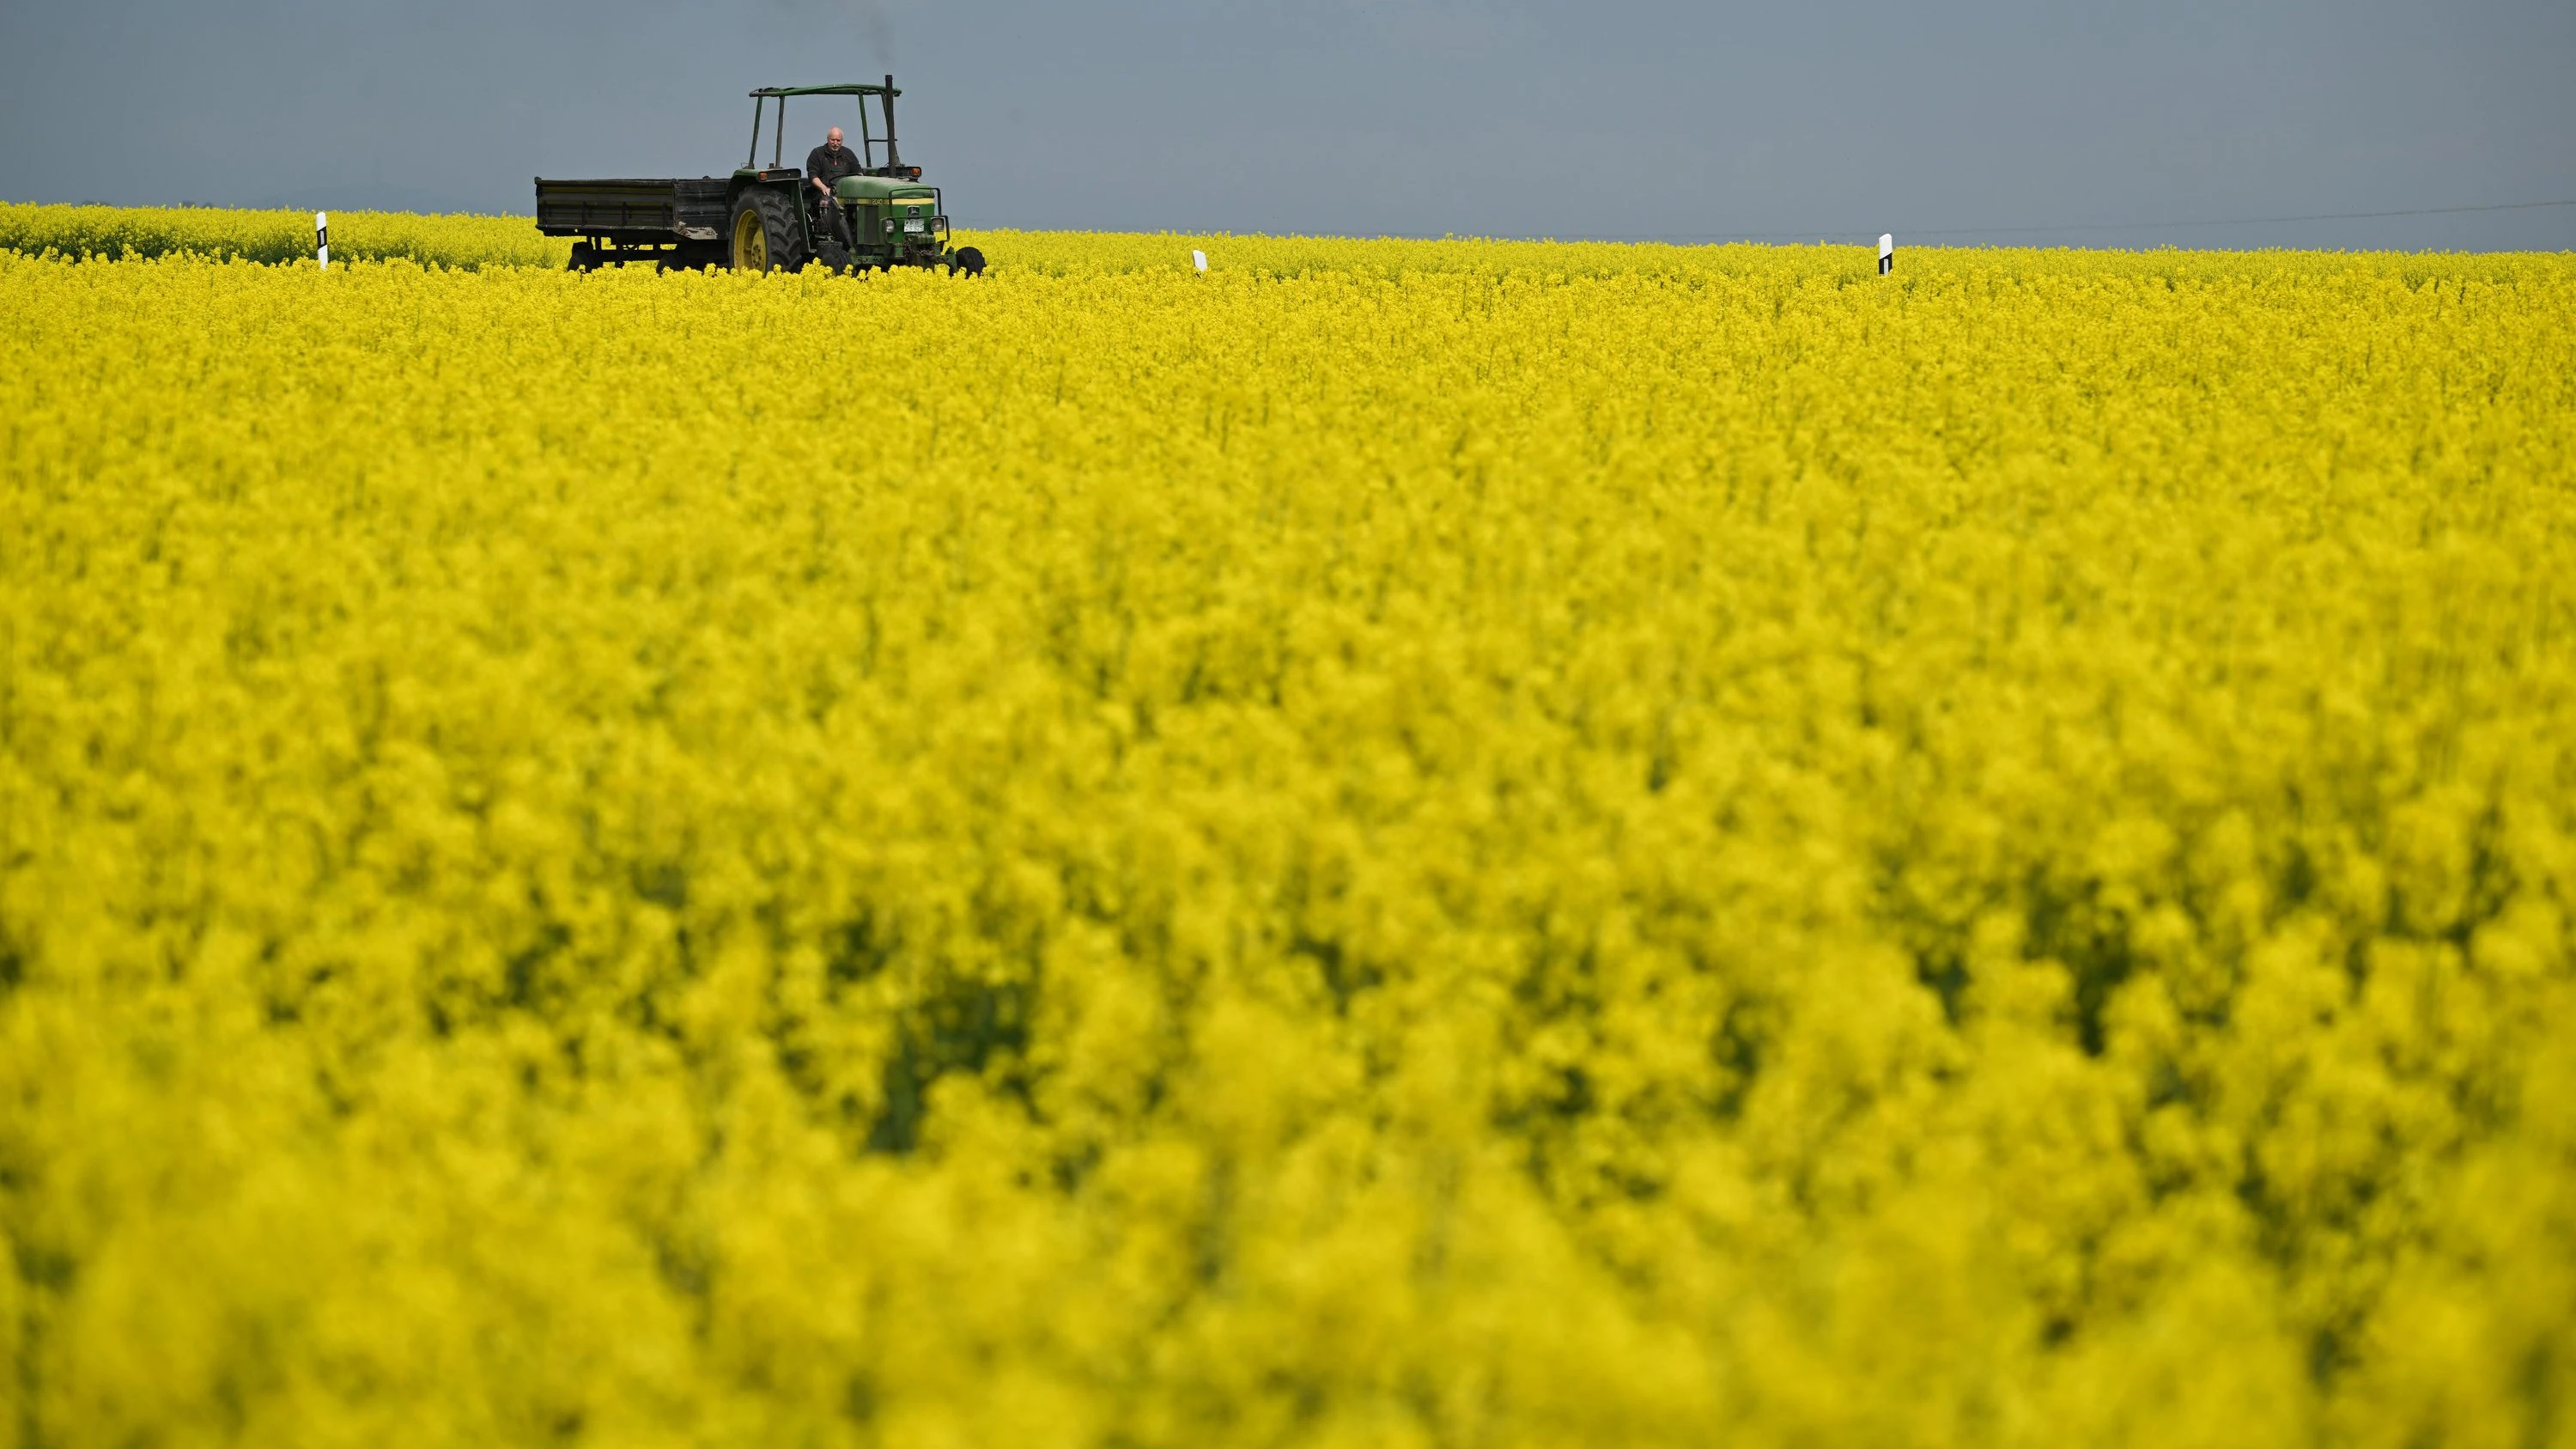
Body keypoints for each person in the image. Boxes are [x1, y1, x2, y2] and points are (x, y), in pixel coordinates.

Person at [807, 127, 864, 247]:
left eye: (838, 140)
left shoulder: (848, 154)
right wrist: (823, 188)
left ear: (842, 141)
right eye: (833, 140)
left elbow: (858, 173)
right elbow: (813, 175)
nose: (835, 143)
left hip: (846, 192)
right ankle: (841, 240)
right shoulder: (817, 153)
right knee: (828, 203)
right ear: (828, 139)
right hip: (824, 192)